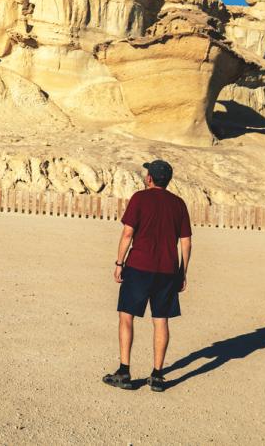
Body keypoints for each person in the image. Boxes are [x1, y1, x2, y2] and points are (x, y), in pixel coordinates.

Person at [102, 159, 192, 392]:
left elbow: (127, 233)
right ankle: (158, 375)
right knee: (161, 319)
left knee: (127, 316)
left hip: (139, 266)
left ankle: (124, 371)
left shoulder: (140, 198)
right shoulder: (178, 204)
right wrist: (183, 271)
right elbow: (186, 242)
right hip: (168, 270)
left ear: (150, 178)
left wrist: (119, 263)